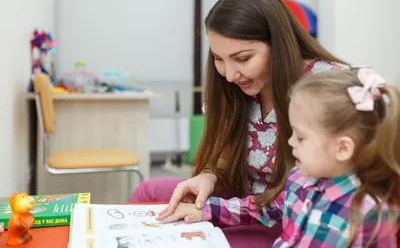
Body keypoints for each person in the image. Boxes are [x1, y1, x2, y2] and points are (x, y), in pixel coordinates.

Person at [131, 0, 347, 247]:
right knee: (149, 191)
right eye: (218, 59)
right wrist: (208, 176)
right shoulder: (230, 88)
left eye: (243, 58)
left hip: (287, 215)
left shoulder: (326, 87)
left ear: (278, 44)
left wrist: (213, 211)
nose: (231, 75)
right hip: (242, 203)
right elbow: (225, 160)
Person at [157, 67, 400, 247]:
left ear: (343, 148)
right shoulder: (299, 179)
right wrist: (205, 210)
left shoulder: (372, 214)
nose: (290, 142)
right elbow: (260, 208)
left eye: (301, 137)